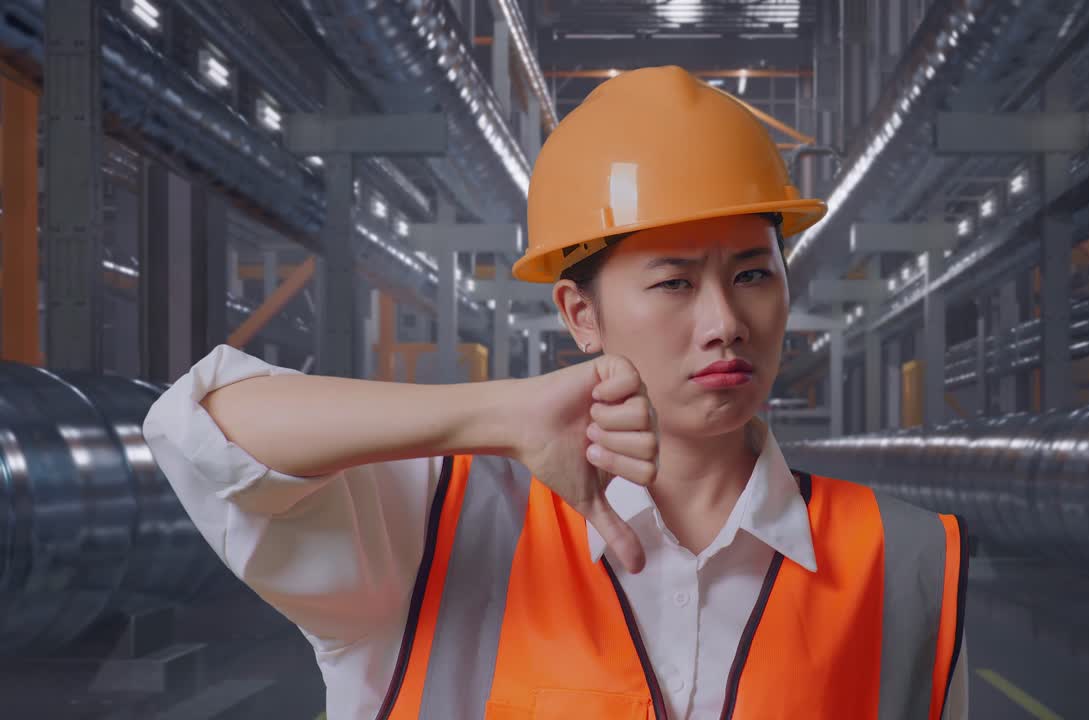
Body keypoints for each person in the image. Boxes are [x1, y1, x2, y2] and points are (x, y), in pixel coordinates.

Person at [143, 65, 968, 720]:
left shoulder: (907, 564)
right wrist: (496, 414)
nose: (725, 322)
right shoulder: (431, 530)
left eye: (753, 273)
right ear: (581, 315)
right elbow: (202, 428)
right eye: (675, 283)